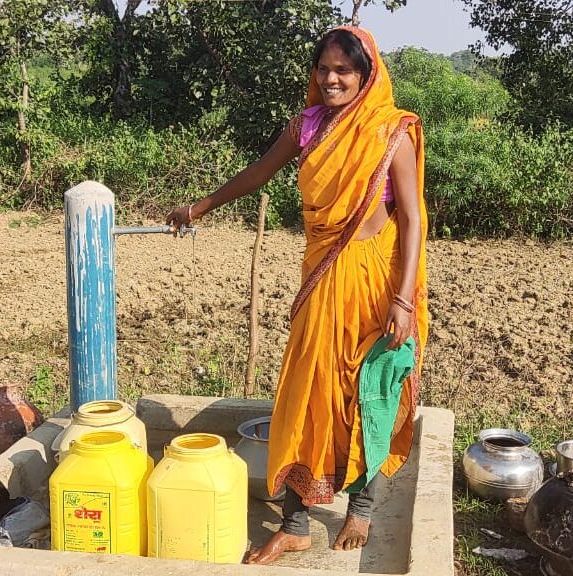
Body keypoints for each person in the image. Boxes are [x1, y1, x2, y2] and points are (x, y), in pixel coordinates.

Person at [166, 26, 429, 566]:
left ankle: (363, 503)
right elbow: (259, 172)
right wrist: (198, 207)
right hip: (319, 279)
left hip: (371, 283)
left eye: (343, 71)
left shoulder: (391, 132)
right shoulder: (307, 127)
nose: (331, 79)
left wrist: (403, 300)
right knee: (304, 393)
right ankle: (296, 523)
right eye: (323, 69)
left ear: (365, 75)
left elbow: (413, 217)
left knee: (367, 390)